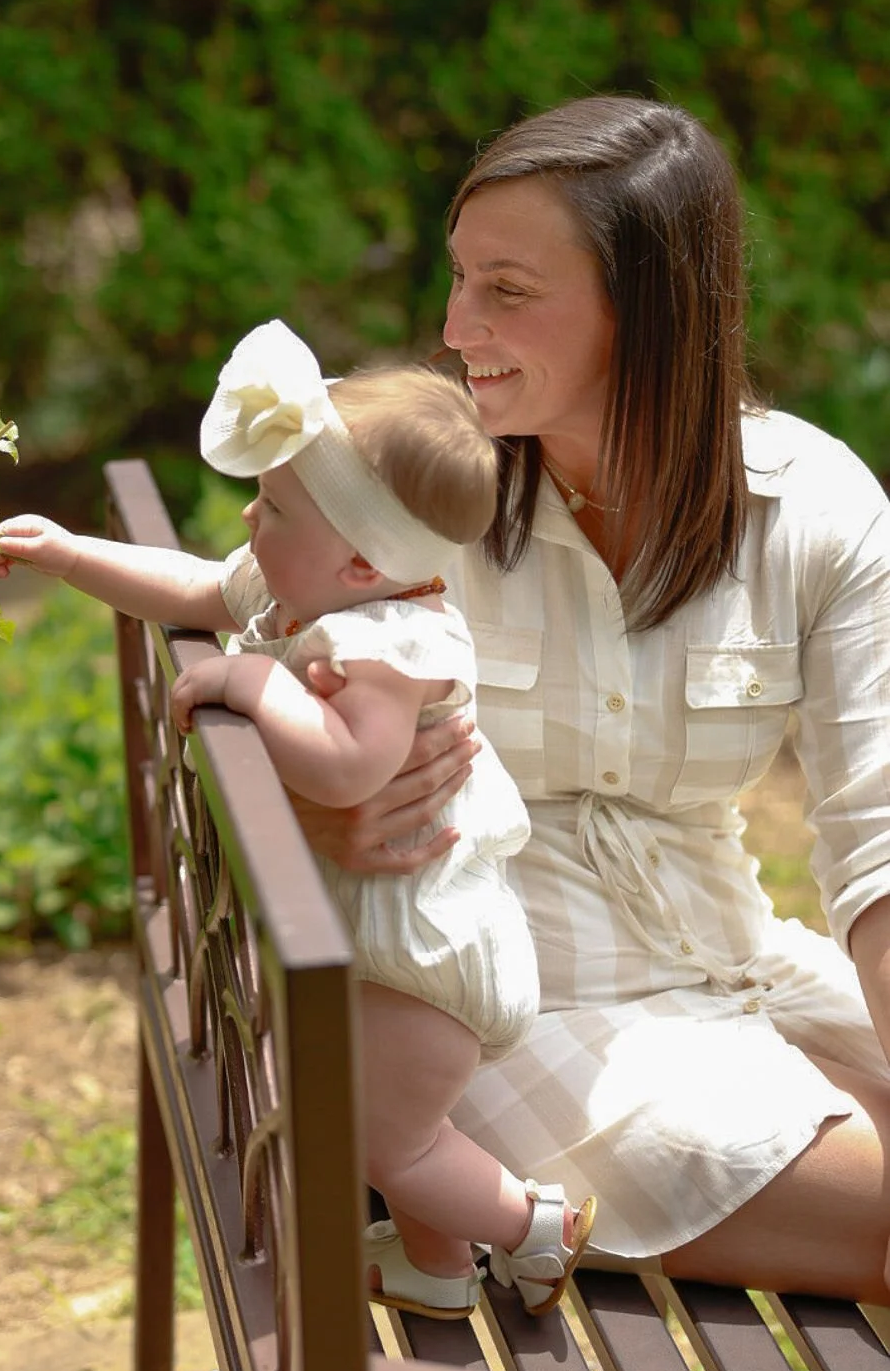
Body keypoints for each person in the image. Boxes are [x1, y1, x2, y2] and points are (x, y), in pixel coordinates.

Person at [297, 93, 890, 1304]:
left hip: (736, 966)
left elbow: (879, 844)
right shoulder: (417, 487)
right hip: (501, 1008)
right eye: (459, 280)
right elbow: (225, 653)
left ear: (651, 307)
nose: (458, 328)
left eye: (507, 290)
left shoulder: (817, 509)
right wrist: (311, 815)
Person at [0, 318, 597, 1317]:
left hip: (426, 955)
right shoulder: (301, 587)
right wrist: (67, 554)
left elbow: (353, 767)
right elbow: (189, 582)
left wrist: (250, 686)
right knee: (386, 1121)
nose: (246, 512)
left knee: (388, 1139)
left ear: (360, 563)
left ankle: (531, 1224)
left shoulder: (393, 640)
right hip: (387, 940)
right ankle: (436, 1269)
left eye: (272, 504)